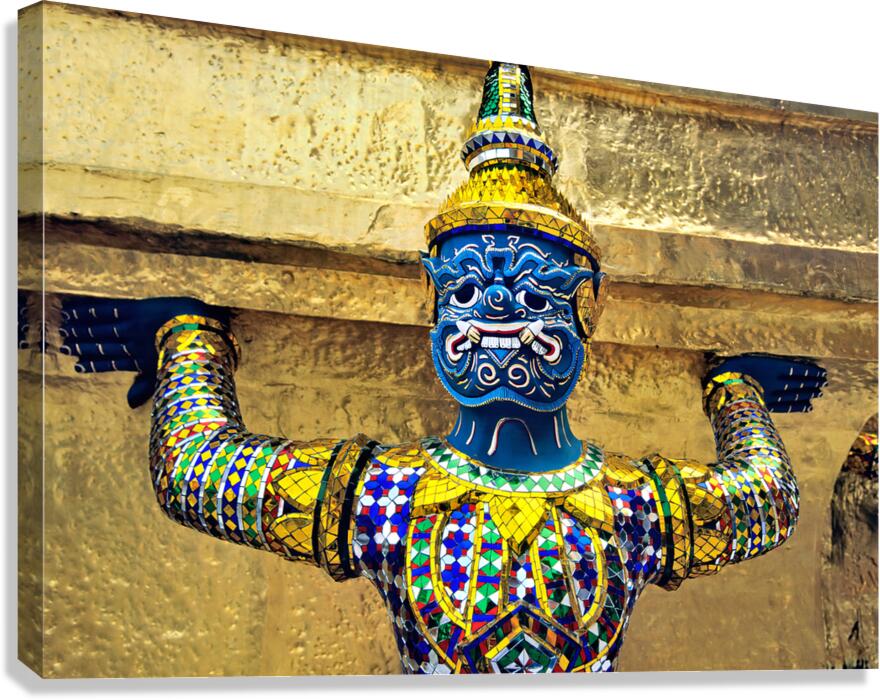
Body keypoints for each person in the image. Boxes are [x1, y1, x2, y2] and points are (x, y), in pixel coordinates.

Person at [57, 62, 825, 674]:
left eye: (531, 291)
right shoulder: (394, 500)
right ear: (431, 303)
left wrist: (188, 341)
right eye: (464, 290)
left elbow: (195, 465)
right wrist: (737, 393)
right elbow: (196, 475)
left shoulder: (624, 508)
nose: (496, 312)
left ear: (588, 309)